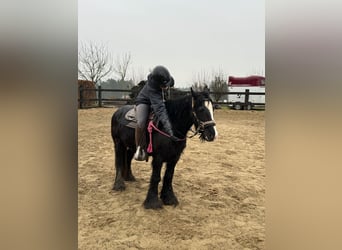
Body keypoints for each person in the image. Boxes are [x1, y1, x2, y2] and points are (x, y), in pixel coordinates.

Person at [134, 65, 178, 161]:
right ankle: (139, 148)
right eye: (163, 86)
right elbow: (160, 110)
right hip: (144, 102)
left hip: (159, 101)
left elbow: (170, 84)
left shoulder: (166, 79)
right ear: (157, 83)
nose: (166, 87)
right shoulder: (152, 88)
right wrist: (170, 130)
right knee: (141, 122)